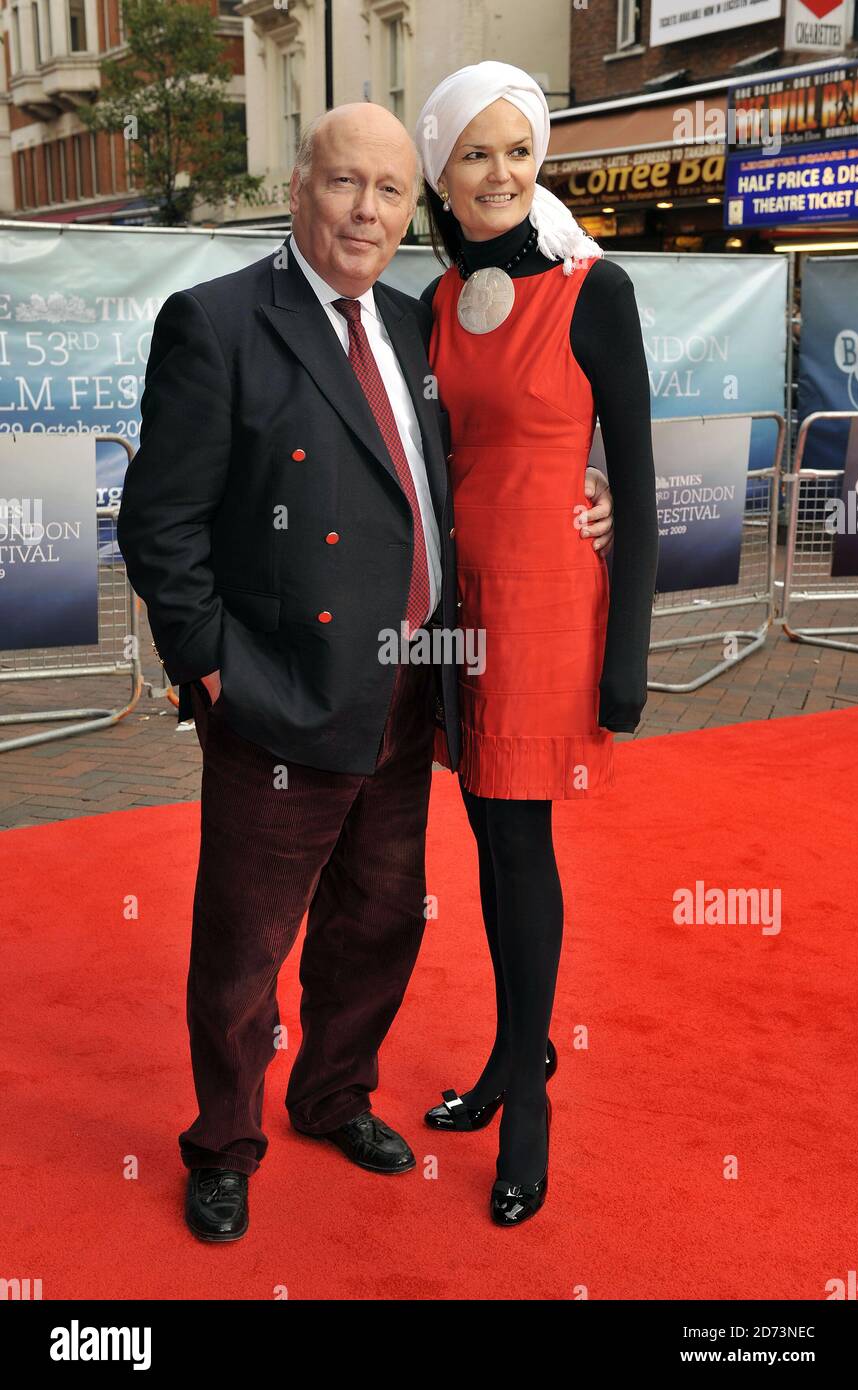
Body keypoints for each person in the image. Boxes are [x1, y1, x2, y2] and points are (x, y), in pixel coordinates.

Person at [116, 100, 615, 1242]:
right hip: (276, 693)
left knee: (381, 917)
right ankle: (223, 1142)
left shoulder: (416, 320)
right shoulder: (219, 320)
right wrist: (208, 668)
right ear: (301, 186)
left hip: (405, 682)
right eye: (348, 183)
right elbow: (162, 523)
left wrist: (597, 491)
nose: (368, 210)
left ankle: (333, 1092)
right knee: (246, 942)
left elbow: (495, 444)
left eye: (392, 192)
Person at [414, 62, 659, 1226]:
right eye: (476, 153)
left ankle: (527, 1099)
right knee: (484, 836)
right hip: (456, 616)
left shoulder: (591, 290)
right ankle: (518, 1056)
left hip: (551, 607)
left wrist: (630, 662)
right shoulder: (427, 304)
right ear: (442, 175)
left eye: (519, 149)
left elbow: (644, 487)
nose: (502, 172)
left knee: (520, 848)